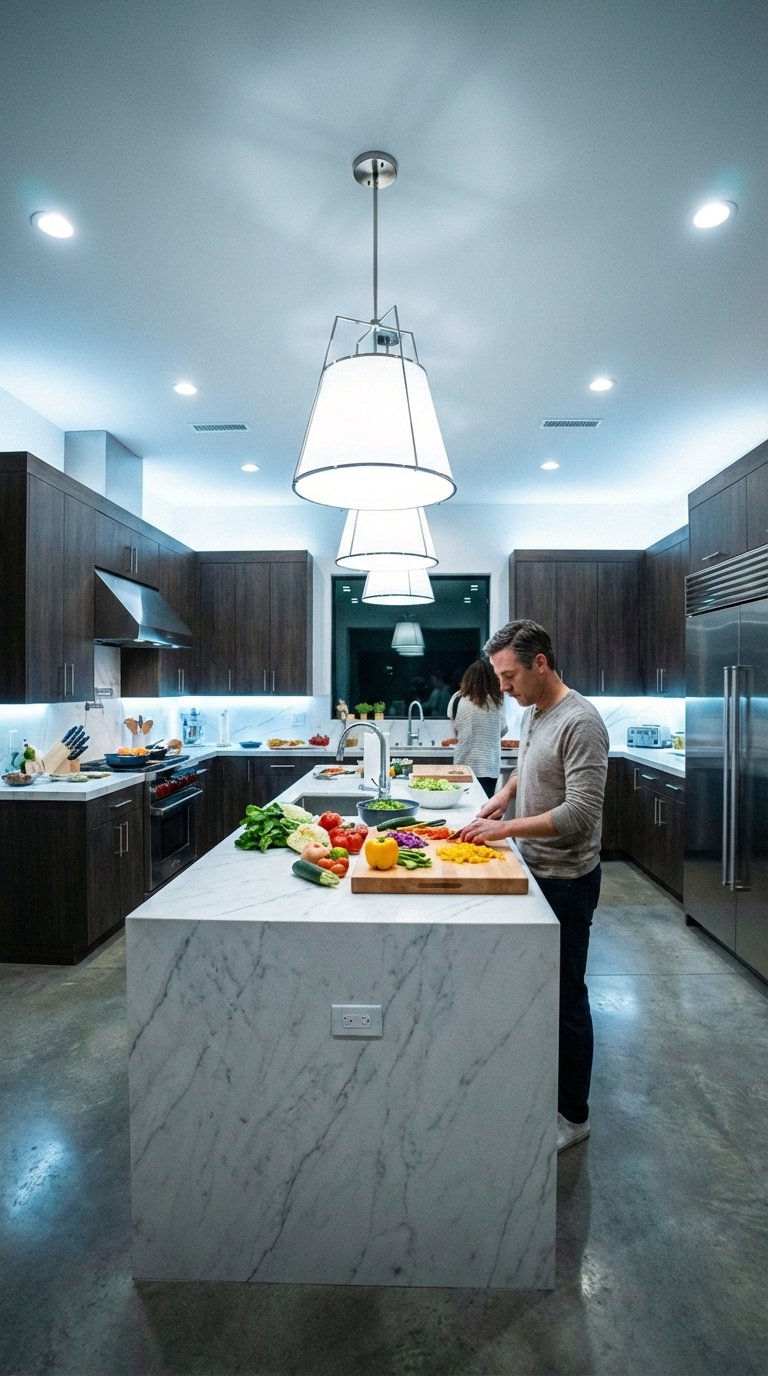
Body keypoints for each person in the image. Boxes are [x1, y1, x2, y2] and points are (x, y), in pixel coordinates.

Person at [460, 619, 608, 1153]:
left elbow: (581, 812)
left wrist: (505, 828)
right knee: (540, 989)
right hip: (535, 869)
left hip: (567, 878)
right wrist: (504, 795)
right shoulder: (536, 714)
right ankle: (542, 1089)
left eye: (508, 676)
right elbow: (530, 767)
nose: (503, 687)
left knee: (568, 997)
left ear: (539, 664)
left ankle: (574, 1116)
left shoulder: (581, 721)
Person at [443, 658, 507, 797]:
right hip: (489, 764)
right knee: (484, 807)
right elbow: (502, 730)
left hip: (463, 765)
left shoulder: (457, 698)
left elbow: (456, 729)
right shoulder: (497, 700)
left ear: (468, 678)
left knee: (463, 806)